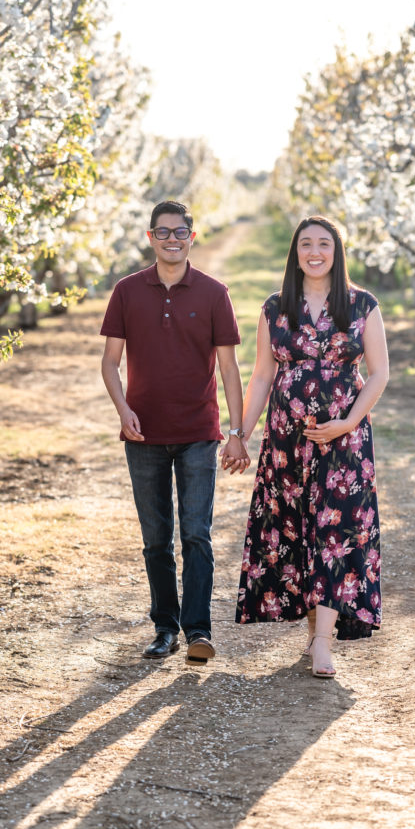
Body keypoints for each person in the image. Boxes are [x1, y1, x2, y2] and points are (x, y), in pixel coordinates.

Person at [235, 216, 389, 678]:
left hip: (345, 441)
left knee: (335, 531)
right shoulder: (275, 306)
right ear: (295, 251)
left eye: (324, 243)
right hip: (286, 439)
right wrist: (240, 433)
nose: (315, 251)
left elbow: (379, 373)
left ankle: (323, 642)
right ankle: (311, 634)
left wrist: (347, 421)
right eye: (306, 243)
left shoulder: (362, 304)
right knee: (297, 530)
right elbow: (263, 375)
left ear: (337, 251)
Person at [101, 200, 250, 664]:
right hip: (143, 434)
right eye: (162, 232)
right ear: (150, 238)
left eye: (179, 232)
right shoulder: (127, 291)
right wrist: (122, 409)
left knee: (197, 534)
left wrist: (237, 431)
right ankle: (164, 628)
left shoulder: (213, 292)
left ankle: (198, 630)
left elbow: (229, 368)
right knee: (155, 538)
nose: (171, 239)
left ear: (192, 236)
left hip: (198, 433)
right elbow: (110, 363)